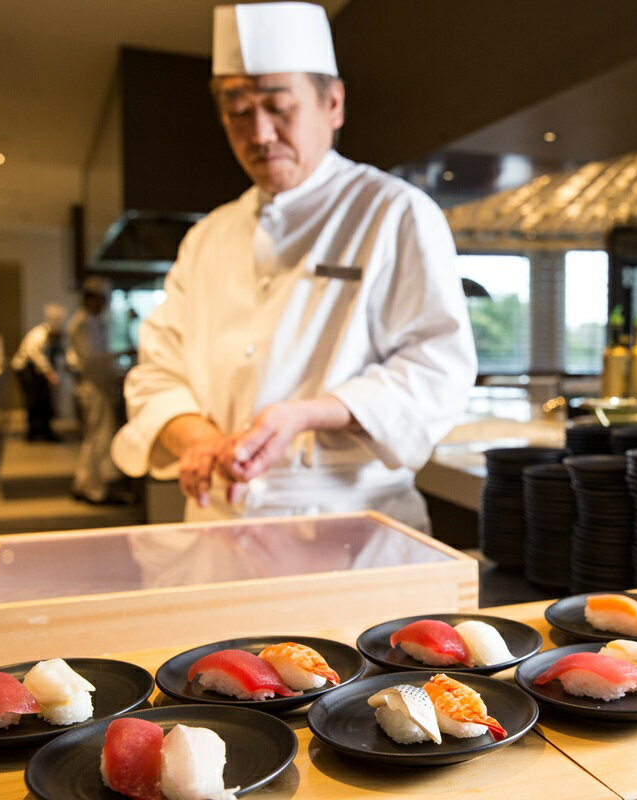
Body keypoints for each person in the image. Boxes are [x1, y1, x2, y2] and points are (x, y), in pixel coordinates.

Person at [110, 2, 476, 530]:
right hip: (218, 521)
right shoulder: (208, 236)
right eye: (238, 112)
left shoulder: (394, 212)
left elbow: (436, 367)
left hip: (353, 524)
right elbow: (155, 372)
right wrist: (199, 438)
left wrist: (305, 414)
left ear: (333, 104)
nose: (259, 134)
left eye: (279, 108)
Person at [68, 276, 123, 504]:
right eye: (101, 300)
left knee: (92, 438)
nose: (104, 305)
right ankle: (97, 491)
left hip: (98, 385)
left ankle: (84, 483)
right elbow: (91, 359)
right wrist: (120, 355)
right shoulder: (82, 323)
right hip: (93, 387)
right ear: (91, 299)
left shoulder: (92, 322)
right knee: (100, 438)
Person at [11, 303, 66, 442]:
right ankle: (33, 432)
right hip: (26, 370)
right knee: (33, 401)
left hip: (37, 372)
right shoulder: (39, 334)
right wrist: (49, 373)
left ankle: (44, 430)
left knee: (44, 400)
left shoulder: (53, 338)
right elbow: (34, 354)